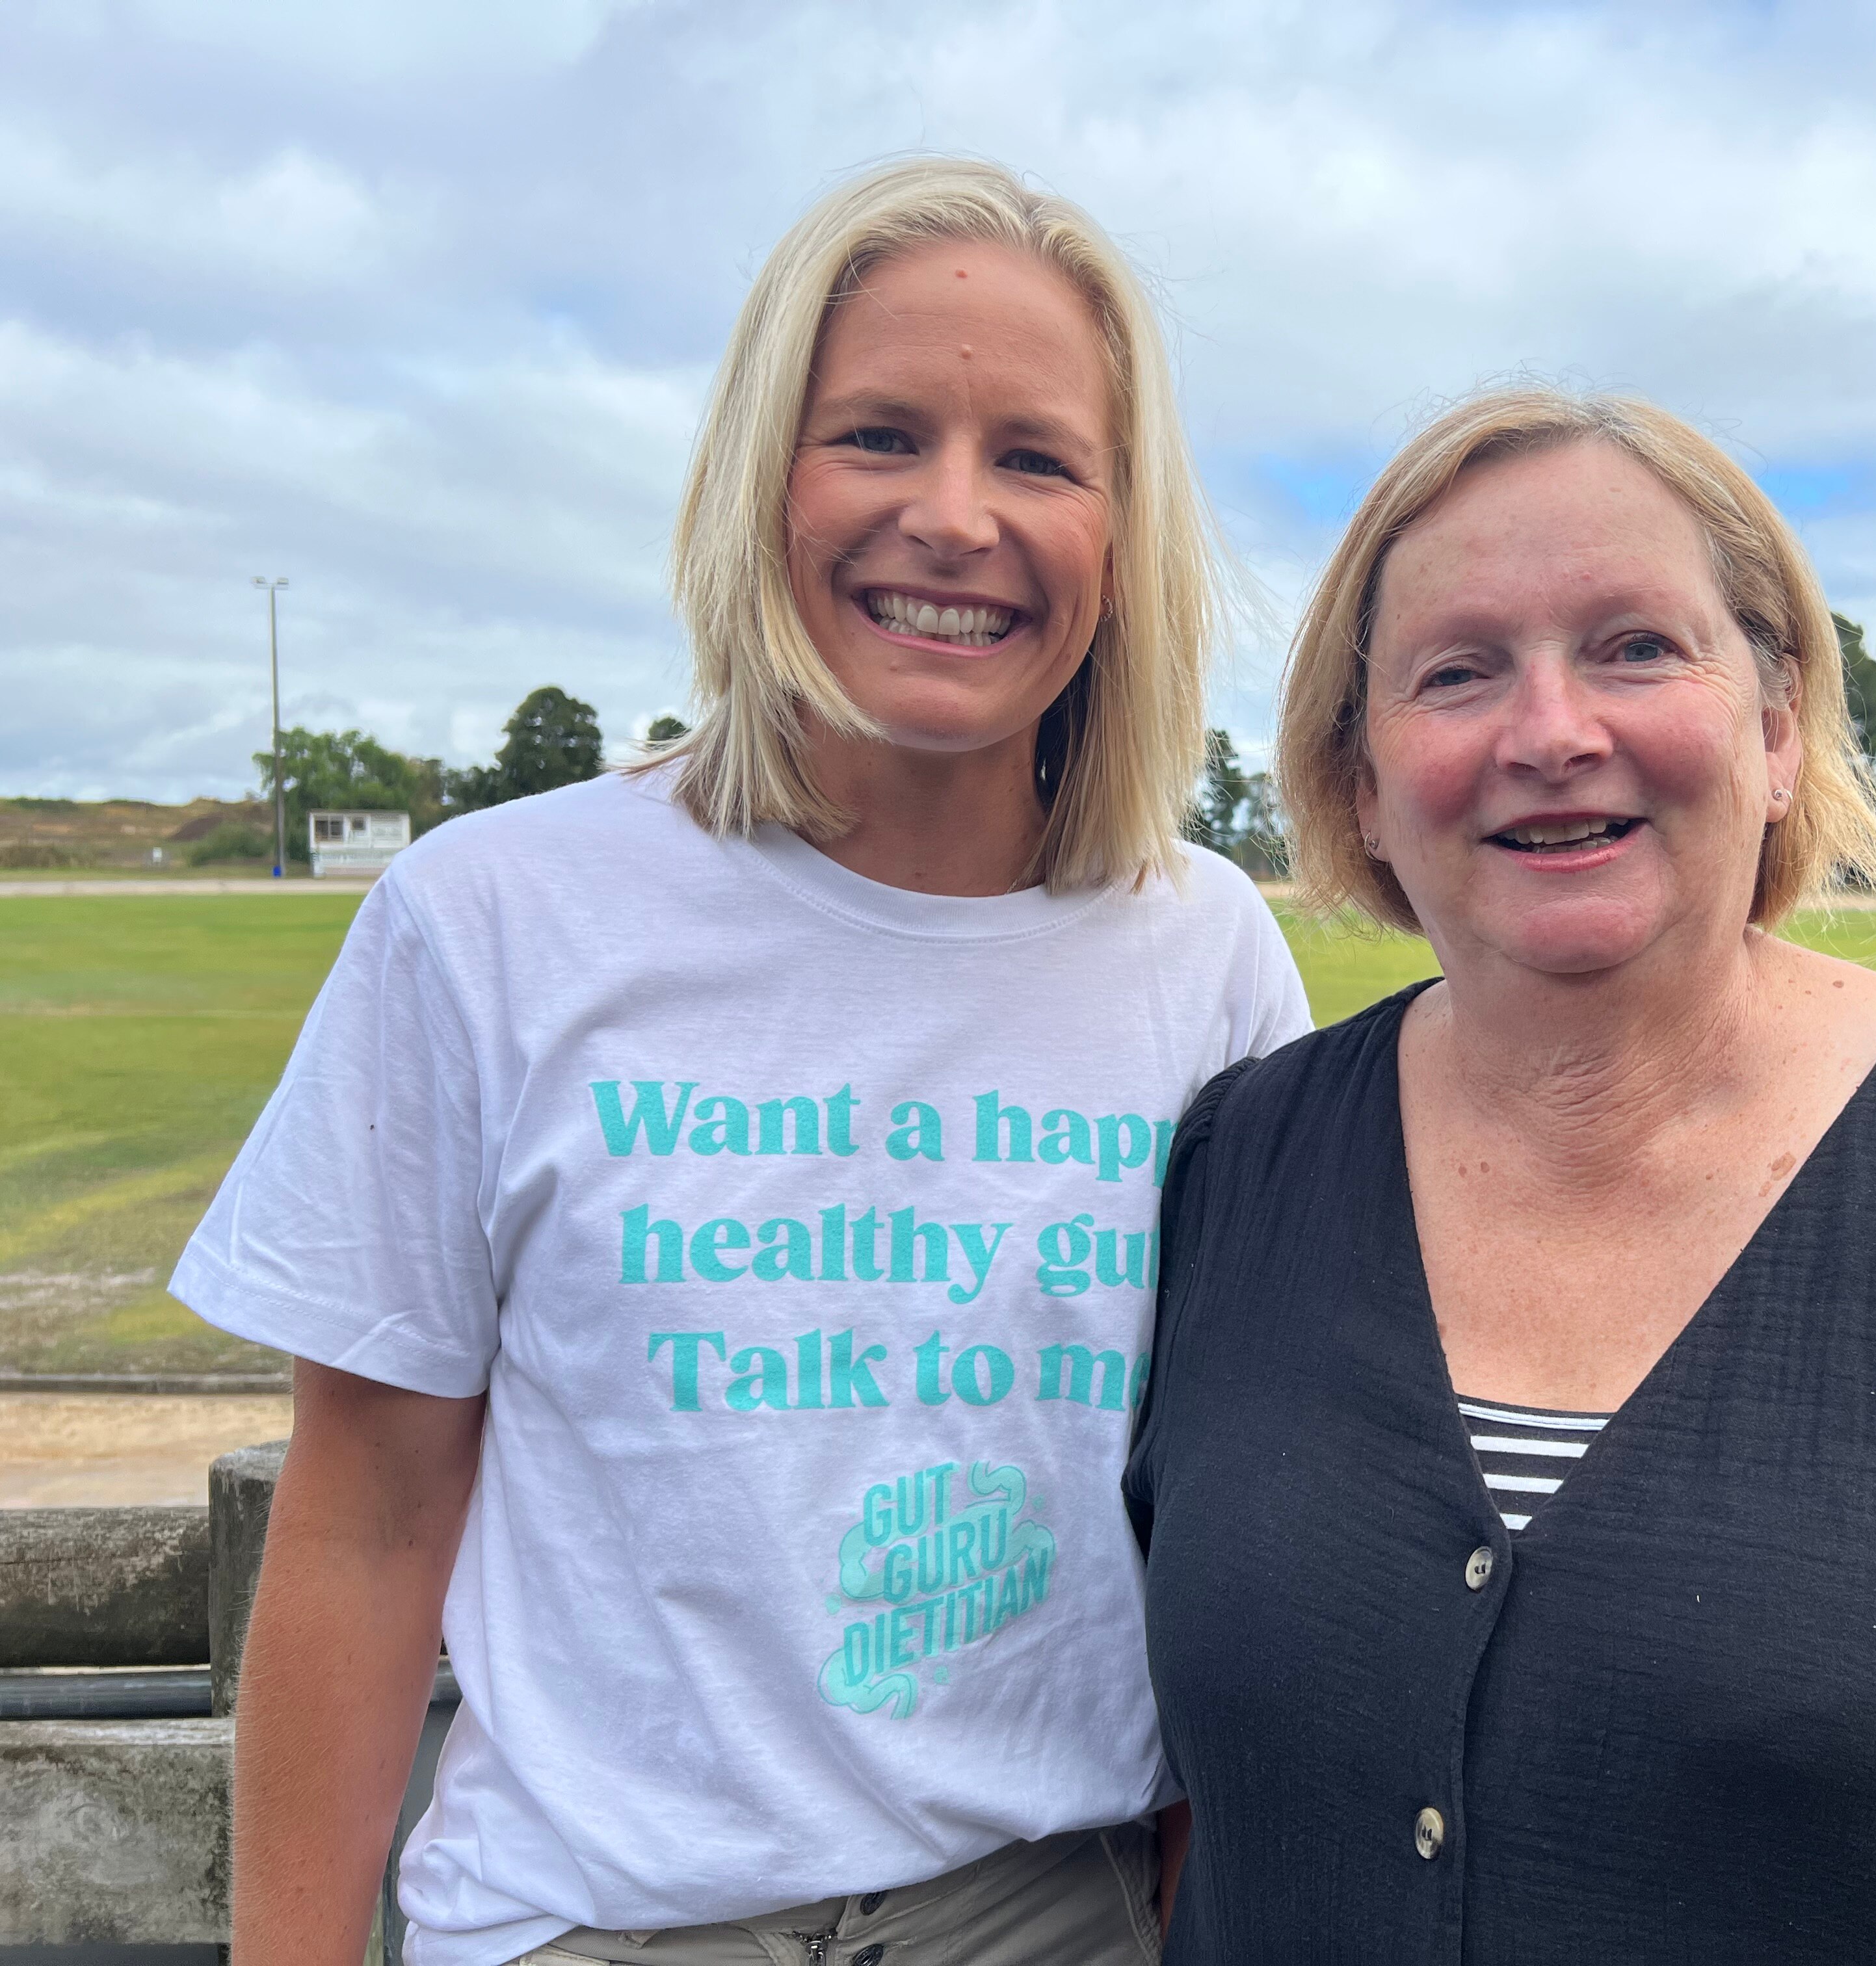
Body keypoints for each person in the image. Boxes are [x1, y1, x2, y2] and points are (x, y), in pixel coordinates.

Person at [177, 157, 1309, 1966]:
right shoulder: (488, 918)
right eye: (874, 436)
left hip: (1048, 1909)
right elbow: (371, 1523)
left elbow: (1235, 1504)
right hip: (593, 1921)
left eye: (1036, 457)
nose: (953, 518)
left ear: (1125, 528)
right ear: (757, 476)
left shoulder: (1207, 952)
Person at [1126, 388, 1876, 1963]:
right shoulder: (1242, 1166)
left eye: (1638, 647)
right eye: (1458, 671)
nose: (1553, 731)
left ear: (1778, 730)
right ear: (1361, 782)